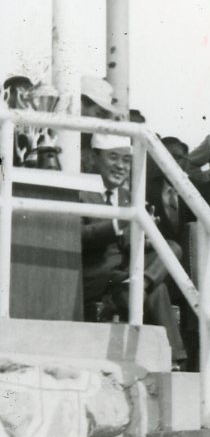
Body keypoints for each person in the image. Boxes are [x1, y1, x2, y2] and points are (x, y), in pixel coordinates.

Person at [80, 134, 185, 366]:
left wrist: (145, 239)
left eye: (126, 160)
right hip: (97, 278)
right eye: (113, 157)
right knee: (158, 289)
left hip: (126, 276)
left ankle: (139, 285)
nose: (121, 166)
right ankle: (174, 359)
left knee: (172, 248)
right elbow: (79, 237)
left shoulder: (129, 197)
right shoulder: (80, 193)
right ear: (93, 158)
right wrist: (118, 224)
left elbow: (130, 245)